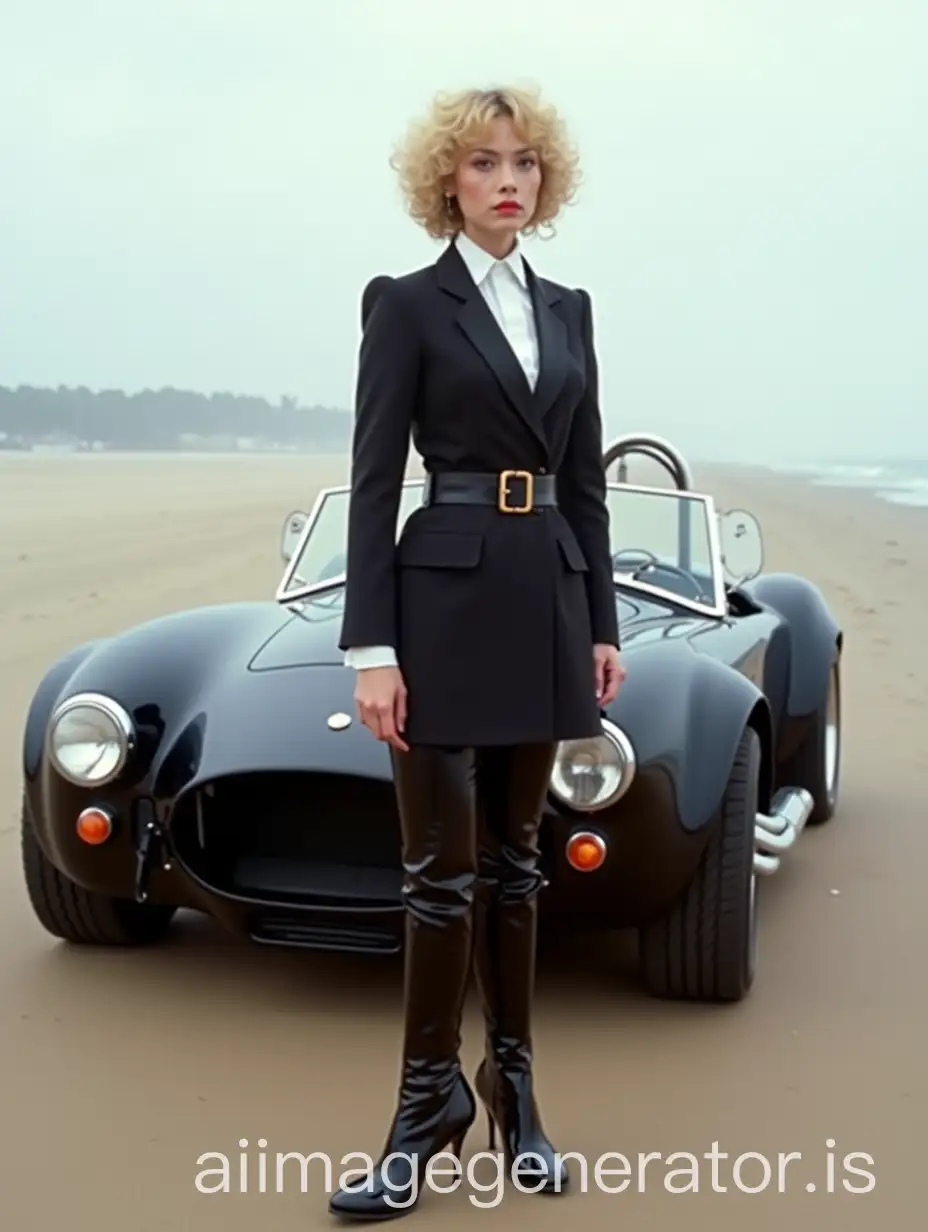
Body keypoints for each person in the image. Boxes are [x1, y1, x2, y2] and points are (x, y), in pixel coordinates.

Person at [328, 84, 624, 1220]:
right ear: (445, 181)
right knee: (436, 877)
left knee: (518, 867)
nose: (507, 180)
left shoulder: (574, 310)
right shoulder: (405, 304)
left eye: (524, 163)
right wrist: (372, 645)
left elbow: (587, 482)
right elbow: (371, 479)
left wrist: (599, 619)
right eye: (482, 163)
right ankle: (420, 1109)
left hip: (545, 596)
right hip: (439, 602)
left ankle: (516, 1100)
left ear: (544, 180)